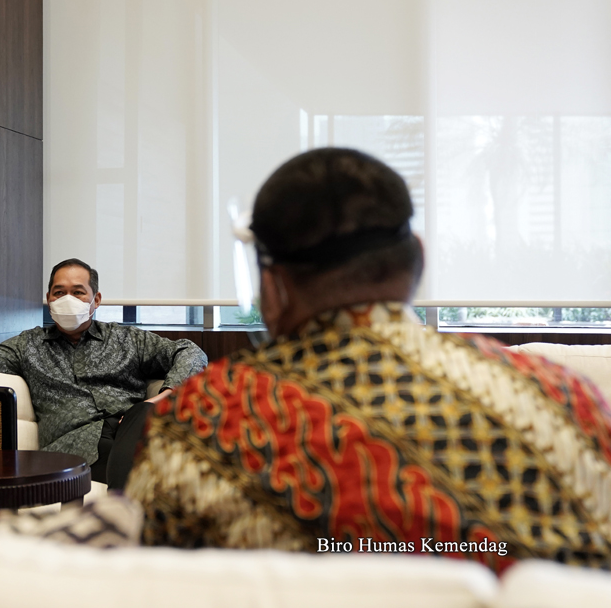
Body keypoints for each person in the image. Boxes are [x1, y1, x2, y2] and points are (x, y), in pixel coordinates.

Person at [125, 148, 611, 573]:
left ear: (272, 286)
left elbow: (154, 582)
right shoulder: (567, 401)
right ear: (418, 259)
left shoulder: (200, 418)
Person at [0, 258, 207, 485]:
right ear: (49, 299)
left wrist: (162, 397)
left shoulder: (128, 339)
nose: (67, 299)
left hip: (130, 428)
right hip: (75, 448)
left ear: (96, 299)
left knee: (151, 421)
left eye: (78, 292)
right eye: (59, 292)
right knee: (159, 466)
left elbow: (190, 352)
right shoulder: (28, 345)